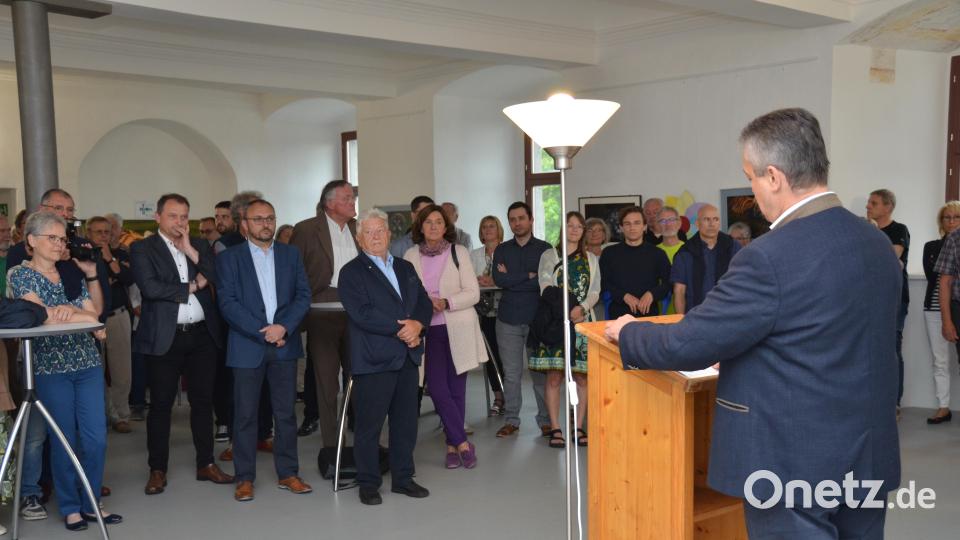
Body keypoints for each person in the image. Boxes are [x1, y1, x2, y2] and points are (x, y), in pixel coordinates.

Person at [606, 108, 901, 538]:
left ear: (775, 177)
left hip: (791, 461)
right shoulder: (874, 242)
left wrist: (629, 330)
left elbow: (690, 343)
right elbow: (826, 336)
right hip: (867, 451)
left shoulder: (768, 256)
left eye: (751, 176)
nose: (752, 189)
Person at [10, 211, 122, 531]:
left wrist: (71, 311)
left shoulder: (70, 272)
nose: (60, 245)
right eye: (53, 238)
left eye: (62, 239)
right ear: (32, 241)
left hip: (86, 363)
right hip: (50, 367)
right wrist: (78, 317)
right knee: (64, 439)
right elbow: (40, 317)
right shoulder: (20, 275)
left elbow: (95, 316)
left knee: (96, 438)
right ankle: (71, 506)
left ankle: (90, 503)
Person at [131, 193, 233, 495]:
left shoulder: (200, 245)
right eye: (173, 216)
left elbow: (220, 276)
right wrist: (193, 285)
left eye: (184, 216)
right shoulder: (142, 248)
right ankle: (157, 469)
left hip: (202, 335)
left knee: (203, 402)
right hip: (166, 336)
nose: (180, 222)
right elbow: (150, 288)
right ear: (158, 217)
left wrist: (188, 248)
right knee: (161, 405)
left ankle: (206, 463)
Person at [217, 198, 312, 502]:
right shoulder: (230, 259)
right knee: (245, 415)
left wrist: (283, 327)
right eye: (258, 219)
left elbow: (303, 295)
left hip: (285, 344)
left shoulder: (291, 254)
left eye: (270, 218)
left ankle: (288, 473)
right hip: (248, 347)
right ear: (244, 224)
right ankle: (245, 478)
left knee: (285, 415)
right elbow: (228, 304)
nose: (266, 224)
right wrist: (265, 332)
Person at [339, 208, 432, 506]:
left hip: (406, 358)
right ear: (359, 238)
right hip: (374, 359)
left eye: (381, 230)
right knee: (369, 426)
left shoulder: (405, 268)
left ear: (390, 234)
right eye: (370, 231)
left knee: (406, 423)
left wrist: (418, 324)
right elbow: (362, 314)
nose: (376, 236)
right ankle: (368, 483)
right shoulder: (351, 272)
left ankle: (404, 479)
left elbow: (424, 303)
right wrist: (403, 330)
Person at [404, 205, 485, 469]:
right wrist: (426, 302)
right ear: (420, 227)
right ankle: (462, 442)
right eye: (429, 222)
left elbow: (473, 293)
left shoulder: (458, 252)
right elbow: (406, 294)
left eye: (439, 222)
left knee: (456, 389)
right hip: (427, 330)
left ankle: (452, 447)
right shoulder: (410, 255)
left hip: (457, 326)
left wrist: (446, 302)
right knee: (437, 388)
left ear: (446, 226)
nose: (434, 227)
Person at [290, 180, 359, 448]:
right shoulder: (306, 229)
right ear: (329, 203)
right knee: (326, 383)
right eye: (347, 198)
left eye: (353, 197)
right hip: (320, 313)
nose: (353, 202)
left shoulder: (358, 229)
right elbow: (294, 273)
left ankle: (363, 440)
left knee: (359, 379)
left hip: (355, 314)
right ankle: (333, 446)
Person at [530, 211, 599, 448]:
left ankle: (578, 426)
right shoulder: (550, 255)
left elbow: (595, 291)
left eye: (579, 226)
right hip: (555, 323)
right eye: (570, 225)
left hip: (582, 324)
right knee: (554, 376)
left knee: (582, 376)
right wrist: (565, 310)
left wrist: (581, 308)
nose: (574, 230)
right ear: (563, 228)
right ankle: (556, 428)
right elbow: (545, 284)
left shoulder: (590, 258)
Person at [492, 202, 552, 438]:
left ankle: (546, 420)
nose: (517, 223)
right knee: (512, 374)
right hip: (508, 319)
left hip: (538, 321)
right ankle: (511, 420)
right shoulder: (502, 249)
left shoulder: (545, 249)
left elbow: (545, 282)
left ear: (531, 219)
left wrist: (513, 278)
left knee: (540, 374)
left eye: (521, 218)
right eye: (512, 219)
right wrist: (528, 276)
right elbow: (499, 280)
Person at [86, 216, 136, 434]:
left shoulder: (121, 254)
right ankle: (102, 415)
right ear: (88, 233)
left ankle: (121, 415)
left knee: (121, 370)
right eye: (98, 232)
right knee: (95, 370)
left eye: (107, 232)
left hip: (118, 317)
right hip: (90, 322)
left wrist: (108, 259)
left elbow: (127, 278)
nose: (103, 236)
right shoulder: (82, 255)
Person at [867, 188, 909, 410]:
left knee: (892, 349)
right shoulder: (864, 230)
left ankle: (894, 403)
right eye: (869, 202)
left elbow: (892, 255)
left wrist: (872, 233)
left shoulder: (899, 229)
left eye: (873, 203)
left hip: (894, 299)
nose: (868, 206)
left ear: (888, 207)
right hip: (867, 299)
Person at [923, 202, 960, 424]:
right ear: (941, 221)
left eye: (956, 217)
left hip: (955, 305)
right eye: (947, 217)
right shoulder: (931, 246)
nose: (952, 221)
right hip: (935, 309)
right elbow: (934, 278)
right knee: (940, 361)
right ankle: (943, 407)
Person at [599, 206, 671, 320]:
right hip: (618, 316)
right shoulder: (609, 253)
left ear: (644, 226)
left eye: (637, 223)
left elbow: (669, 282)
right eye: (627, 224)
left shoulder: (658, 254)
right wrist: (624, 296)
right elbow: (603, 283)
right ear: (621, 228)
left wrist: (651, 294)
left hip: (649, 315)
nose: (632, 227)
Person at [671, 204, 740, 314]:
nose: (712, 224)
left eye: (715, 219)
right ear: (698, 223)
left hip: (729, 313)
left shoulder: (733, 247)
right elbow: (679, 291)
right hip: (696, 316)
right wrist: (681, 322)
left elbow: (742, 281)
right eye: (707, 219)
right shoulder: (685, 253)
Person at [471, 215, 505, 415]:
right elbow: (467, 280)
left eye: (492, 226)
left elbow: (509, 278)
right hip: (483, 313)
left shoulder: (508, 251)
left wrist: (492, 280)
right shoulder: (473, 255)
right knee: (491, 357)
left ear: (499, 229)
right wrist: (479, 281)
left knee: (506, 357)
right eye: (484, 227)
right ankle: (498, 397)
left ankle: (510, 395)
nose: (488, 229)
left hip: (505, 311)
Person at [655, 206, 685, 314]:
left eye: (671, 220)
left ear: (679, 223)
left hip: (686, 311)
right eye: (662, 221)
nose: (668, 224)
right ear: (657, 226)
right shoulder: (652, 252)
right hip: (658, 313)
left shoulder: (689, 250)